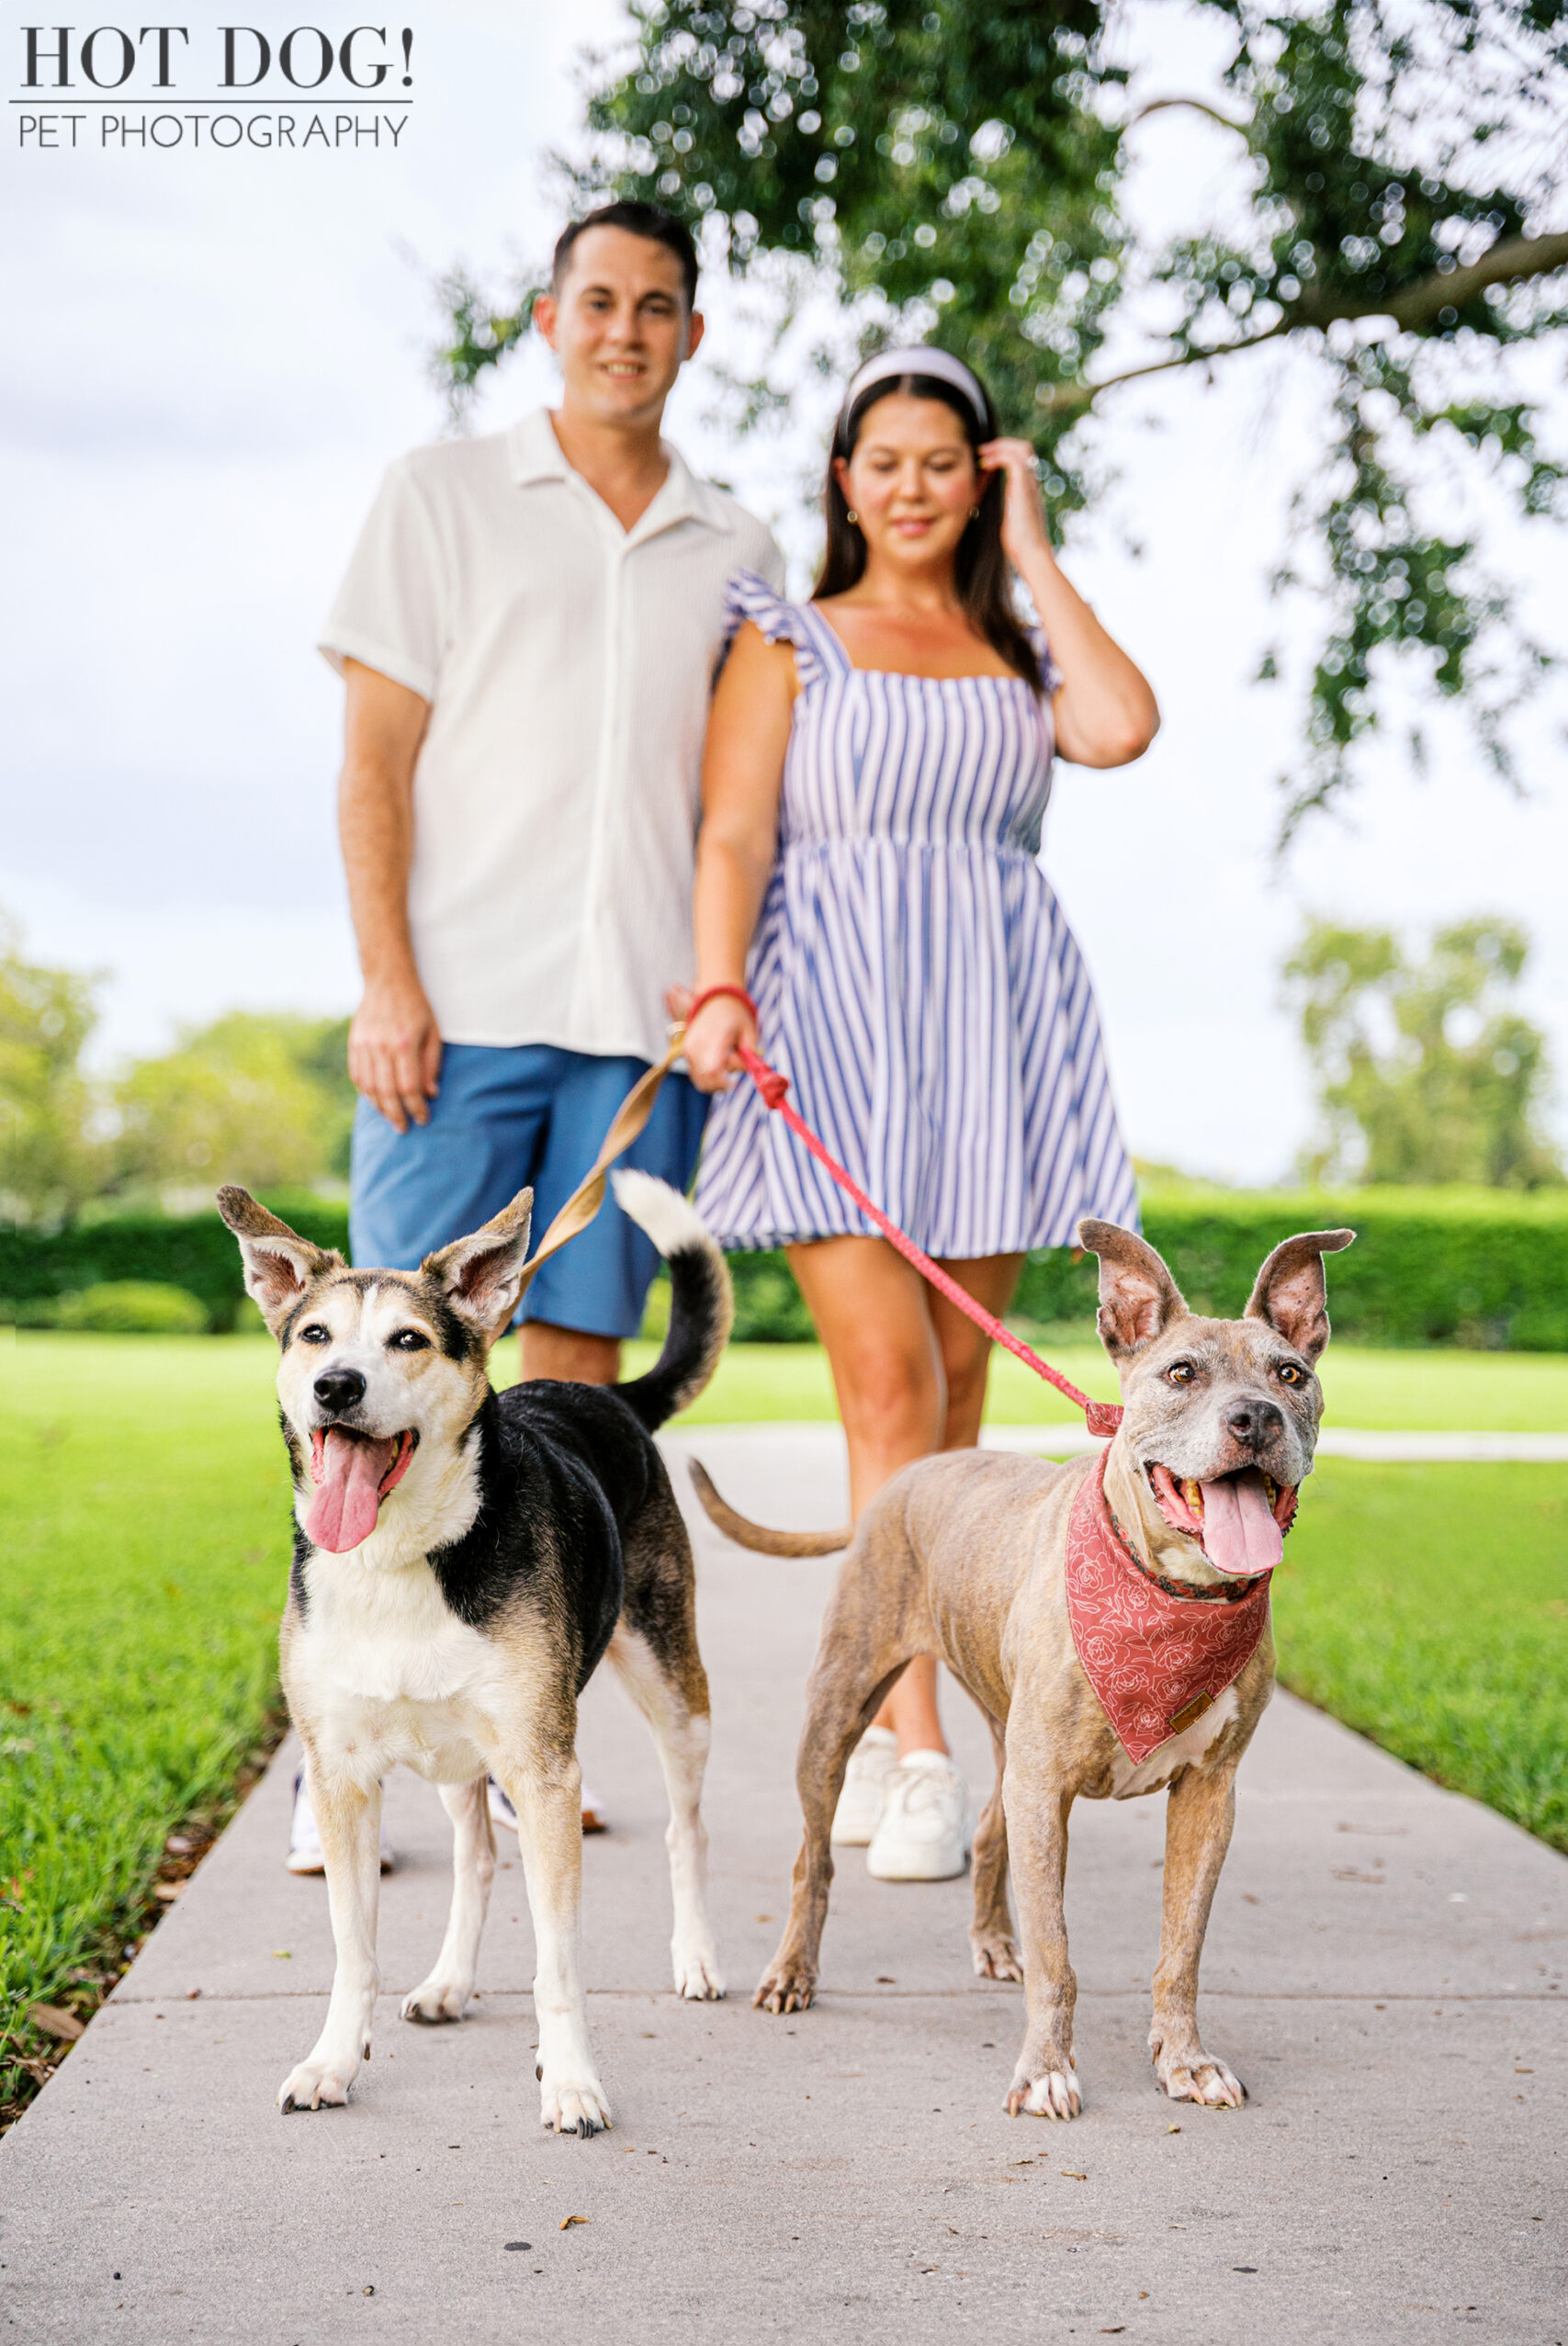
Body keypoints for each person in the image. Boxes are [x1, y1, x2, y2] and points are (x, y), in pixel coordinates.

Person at [284, 201, 784, 1873]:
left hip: (633, 1030)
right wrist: (385, 979)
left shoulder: (738, 543)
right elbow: (371, 761)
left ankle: (522, 1740)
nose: (625, 328)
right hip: (454, 1012)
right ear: (550, 316)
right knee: (376, 1384)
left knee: (569, 1401)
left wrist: (717, 981)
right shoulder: (439, 496)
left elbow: (738, 802)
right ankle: (336, 1757)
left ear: (693, 333)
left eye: (658, 305)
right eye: (599, 300)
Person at [682, 346, 1157, 1883]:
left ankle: (902, 1723)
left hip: (995, 1042)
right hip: (830, 1025)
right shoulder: (789, 636)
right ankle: (928, 1756)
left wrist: (1033, 549)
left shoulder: (1017, 651)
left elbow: (1123, 725)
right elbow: (734, 830)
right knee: (885, 1388)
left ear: (981, 477)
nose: (910, 486)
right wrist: (717, 987)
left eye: (943, 462)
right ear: (845, 479)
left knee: (956, 1407)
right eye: (883, 461)